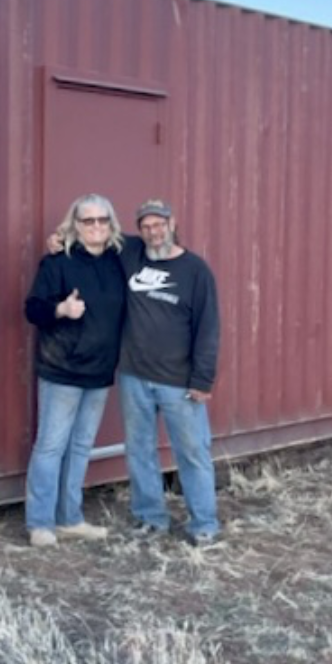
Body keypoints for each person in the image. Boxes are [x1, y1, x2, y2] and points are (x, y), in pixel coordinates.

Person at [23, 193, 127, 548]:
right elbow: (33, 309)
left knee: (81, 447)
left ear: (111, 225)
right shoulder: (57, 262)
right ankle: (40, 524)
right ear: (75, 225)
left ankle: (70, 519)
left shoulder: (120, 260)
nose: (96, 227)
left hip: (100, 372)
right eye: (88, 221)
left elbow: (157, 240)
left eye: (103, 221)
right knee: (51, 447)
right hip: (62, 369)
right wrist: (61, 310)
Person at [118, 199, 222, 545]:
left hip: (180, 382)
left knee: (192, 452)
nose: (153, 232)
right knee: (139, 450)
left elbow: (208, 328)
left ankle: (204, 523)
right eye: (146, 226)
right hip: (134, 375)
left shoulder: (195, 270)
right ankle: (151, 517)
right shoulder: (132, 253)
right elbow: (95, 234)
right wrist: (59, 239)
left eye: (159, 224)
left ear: (172, 223)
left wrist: (202, 380)